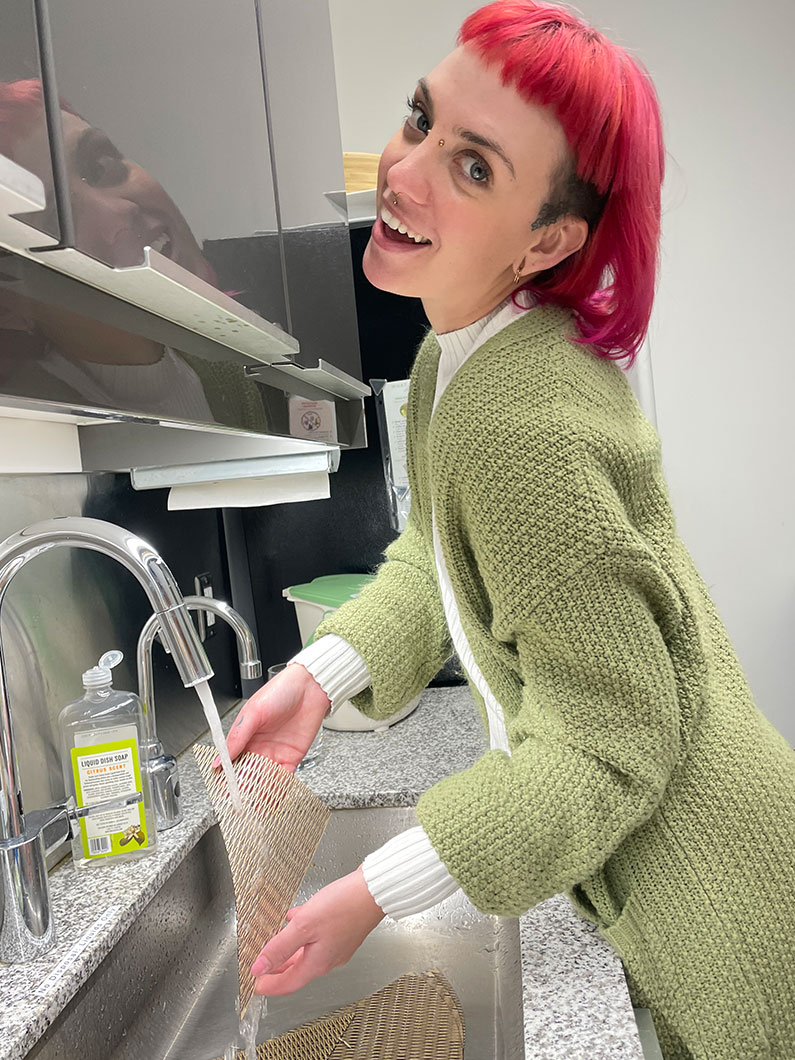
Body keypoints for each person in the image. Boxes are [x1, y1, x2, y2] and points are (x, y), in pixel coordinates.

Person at [224, 3, 795, 1058]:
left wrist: (372, 889)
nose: (405, 172)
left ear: (549, 239)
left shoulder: (514, 417)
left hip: (724, 900)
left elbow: (608, 739)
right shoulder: (462, 356)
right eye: (421, 121)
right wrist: (321, 677)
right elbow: (436, 559)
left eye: (474, 168)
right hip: (704, 857)